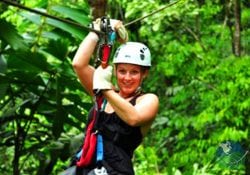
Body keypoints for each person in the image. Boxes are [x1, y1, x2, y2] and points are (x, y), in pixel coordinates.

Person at [71, 19, 159, 175]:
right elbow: (79, 64)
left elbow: (134, 117)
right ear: (115, 71)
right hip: (85, 165)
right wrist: (95, 32)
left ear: (144, 74)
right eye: (122, 71)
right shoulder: (106, 93)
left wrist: (104, 88)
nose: (127, 78)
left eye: (134, 72)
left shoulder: (148, 100)